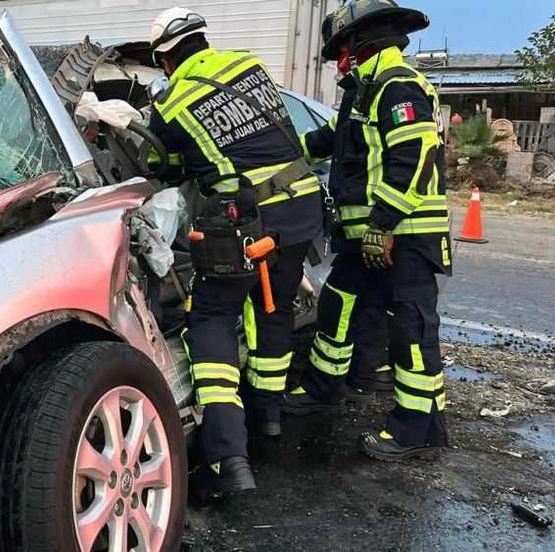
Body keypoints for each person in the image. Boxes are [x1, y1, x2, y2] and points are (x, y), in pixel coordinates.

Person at [147, 7, 323, 496]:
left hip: (244, 222)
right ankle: (268, 419)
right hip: (301, 209)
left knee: (212, 320)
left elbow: (162, 165)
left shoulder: (172, 101)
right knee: (273, 310)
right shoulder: (249, 66)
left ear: (165, 59)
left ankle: (229, 457)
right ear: (202, 40)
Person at [283, 0, 451, 462]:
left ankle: (417, 428)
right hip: (366, 240)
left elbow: (413, 160)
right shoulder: (364, 90)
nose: (339, 60)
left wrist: (382, 225)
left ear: (361, 44)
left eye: (342, 49)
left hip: (405, 235)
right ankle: (325, 389)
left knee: (412, 331)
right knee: (338, 304)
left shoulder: (398, 87)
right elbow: (324, 142)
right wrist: (269, 151)